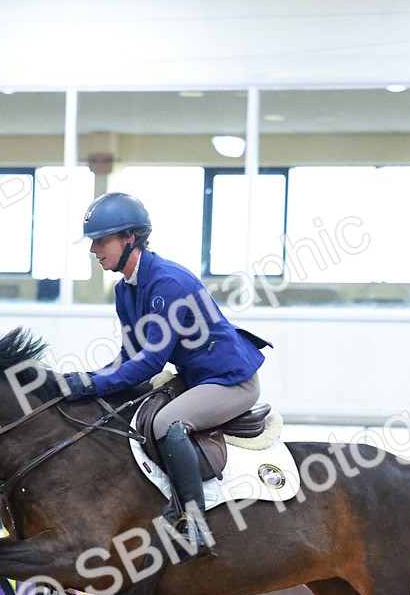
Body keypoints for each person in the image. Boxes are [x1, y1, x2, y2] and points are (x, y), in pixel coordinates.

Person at [61, 192, 271, 560]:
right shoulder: (125, 290)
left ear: (130, 239)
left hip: (232, 382)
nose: (94, 250)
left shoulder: (167, 283)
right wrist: (88, 379)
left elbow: (150, 363)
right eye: (93, 242)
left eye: (101, 240)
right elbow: (129, 356)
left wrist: (93, 383)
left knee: (165, 423)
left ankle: (195, 521)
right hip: (198, 379)